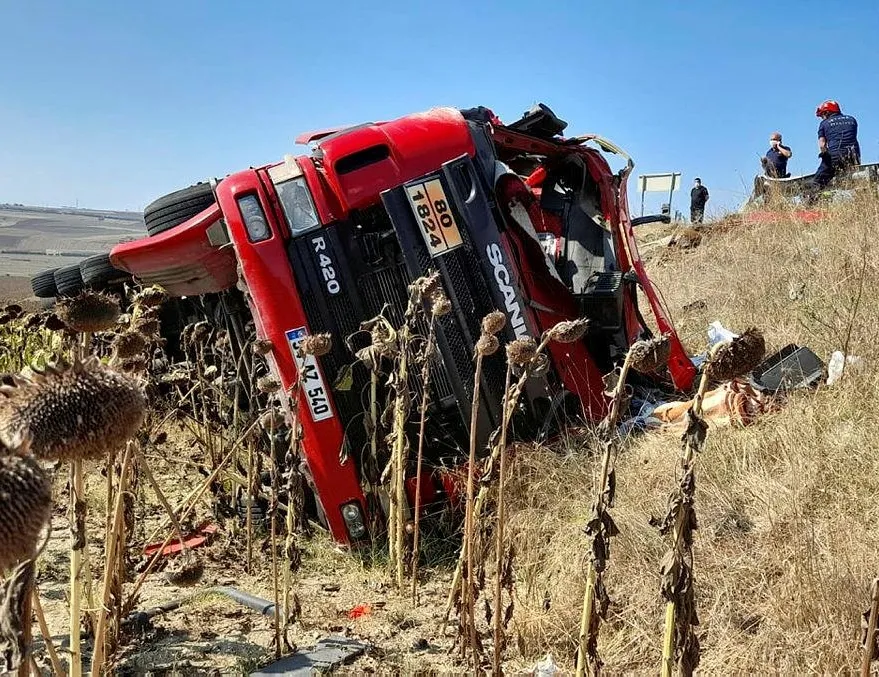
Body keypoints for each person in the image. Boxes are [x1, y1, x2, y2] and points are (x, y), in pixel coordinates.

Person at [813, 100, 860, 190]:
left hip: (835, 156)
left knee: (817, 183)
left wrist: (824, 155)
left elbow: (822, 145)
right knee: (854, 181)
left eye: (822, 115)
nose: (822, 118)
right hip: (854, 156)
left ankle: (810, 201)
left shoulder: (824, 123)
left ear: (827, 112)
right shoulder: (852, 119)